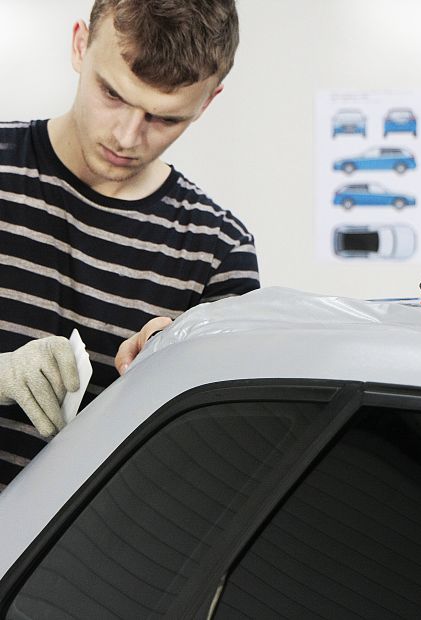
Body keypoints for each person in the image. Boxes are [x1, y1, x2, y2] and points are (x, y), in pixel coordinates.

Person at [0, 0, 260, 490]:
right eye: (112, 94)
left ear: (208, 101)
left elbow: (226, 468)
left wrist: (177, 369)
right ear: (80, 45)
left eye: (164, 119)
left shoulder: (219, 252)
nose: (126, 137)